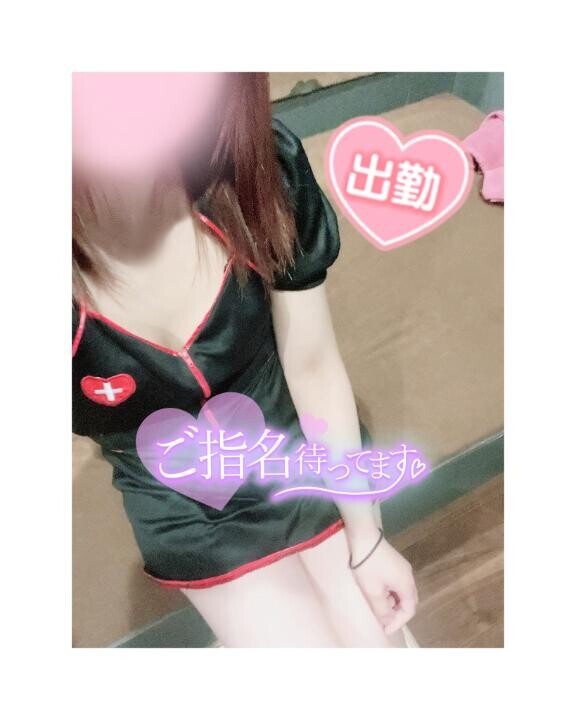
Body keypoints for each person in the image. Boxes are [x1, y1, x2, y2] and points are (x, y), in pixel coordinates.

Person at [72, 72, 419, 647]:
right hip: (185, 503)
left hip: (294, 447)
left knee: (383, 649)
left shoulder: (257, 171)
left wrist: (368, 538)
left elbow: (312, 364)